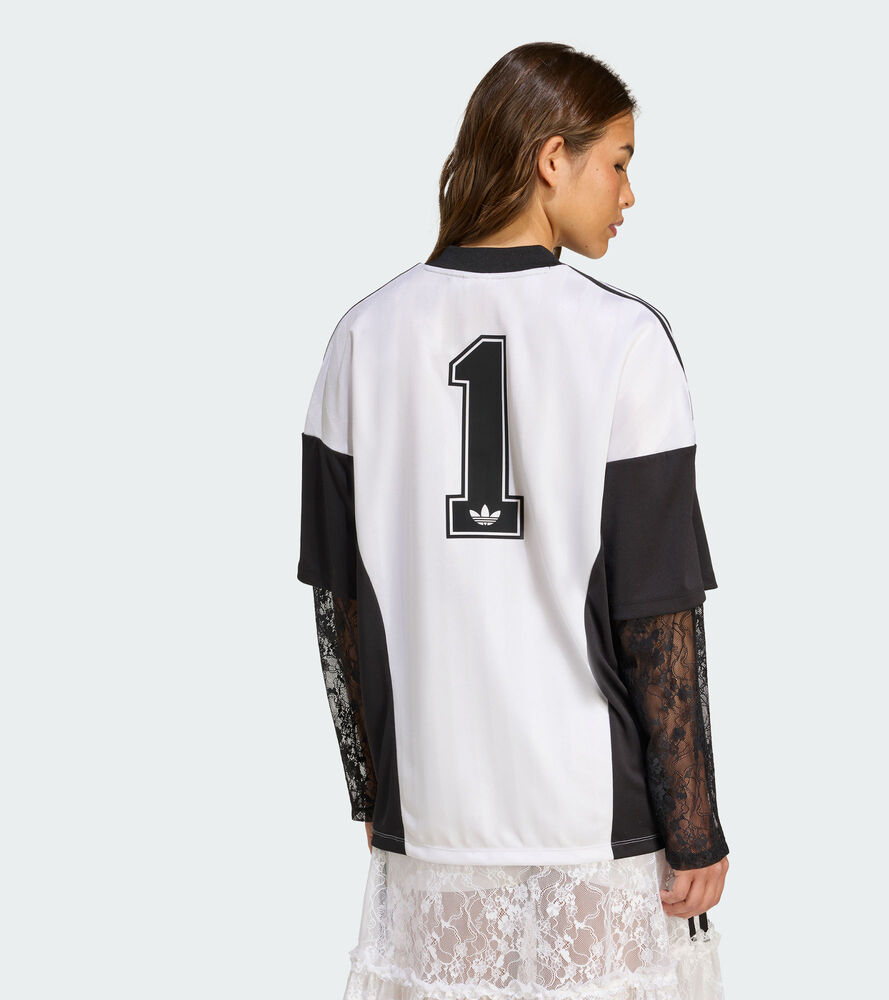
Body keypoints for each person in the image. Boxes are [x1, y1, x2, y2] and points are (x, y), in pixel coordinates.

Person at [298, 41, 731, 1000]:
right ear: (552, 157)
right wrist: (694, 824)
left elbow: (338, 607)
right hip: (592, 817)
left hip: (435, 809)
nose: (628, 195)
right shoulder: (626, 341)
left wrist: (376, 789)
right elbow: (658, 613)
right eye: (617, 163)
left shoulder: (361, 337)